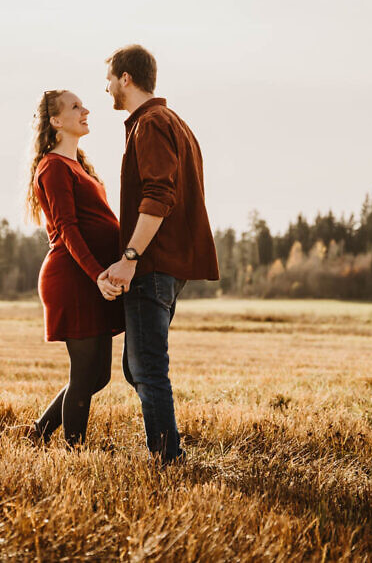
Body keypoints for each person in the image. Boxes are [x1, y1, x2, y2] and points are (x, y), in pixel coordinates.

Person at [99, 45, 219, 465]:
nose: (107, 86)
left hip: (151, 265)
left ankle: (168, 459)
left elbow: (159, 195)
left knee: (147, 367)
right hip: (167, 265)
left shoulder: (150, 124)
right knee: (138, 367)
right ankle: (166, 449)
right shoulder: (174, 123)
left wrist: (129, 257)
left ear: (126, 78)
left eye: (110, 77)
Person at [21, 89, 125, 447]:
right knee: (84, 374)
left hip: (90, 277)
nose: (86, 111)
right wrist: (98, 274)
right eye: (76, 107)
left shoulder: (77, 165)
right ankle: (75, 452)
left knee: (98, 377)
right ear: (56, 121)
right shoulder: (51, 167)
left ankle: (38, 432)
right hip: (73, 278)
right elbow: (67, 229)